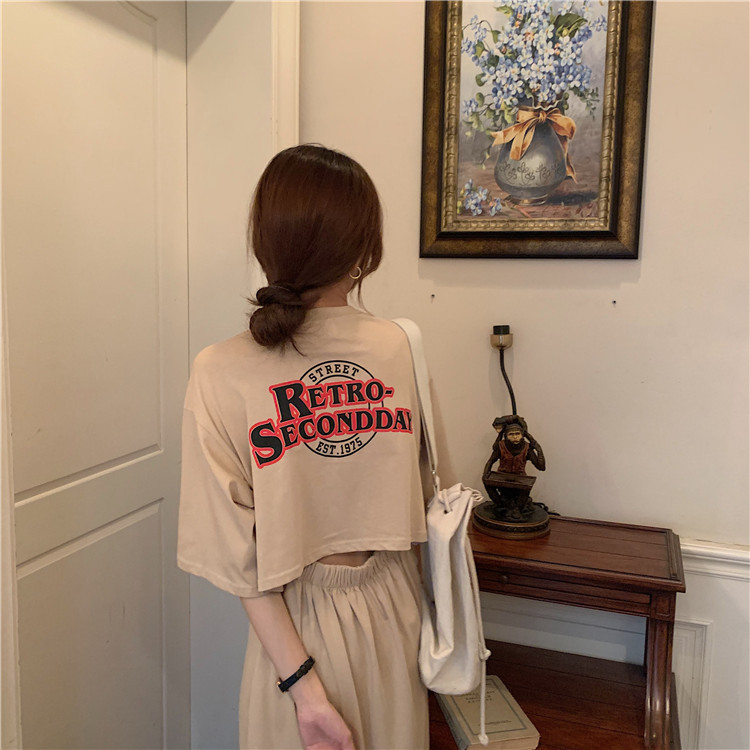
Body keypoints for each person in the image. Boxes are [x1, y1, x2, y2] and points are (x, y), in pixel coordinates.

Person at [176, 144, 430, 749]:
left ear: (265, 242)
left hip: (294, 644)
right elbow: (424, 496)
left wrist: (304, 691)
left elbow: (237, 558)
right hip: (395, 614)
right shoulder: (400, 347)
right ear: (365, 249)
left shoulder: (219, 369)